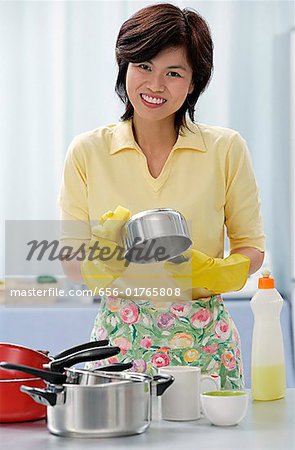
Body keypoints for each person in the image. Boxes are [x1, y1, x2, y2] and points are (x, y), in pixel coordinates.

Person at [58, 3, 265, 389]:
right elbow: (71, 258)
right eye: (144, 66)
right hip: (118, 345)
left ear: (193, 83)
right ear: (126, 66)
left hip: (205, 346)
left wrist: (217, 271)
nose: (155, 85)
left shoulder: (226, 149)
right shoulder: (88, 151)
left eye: (173, 72)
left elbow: (251, 247)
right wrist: (100, 262)